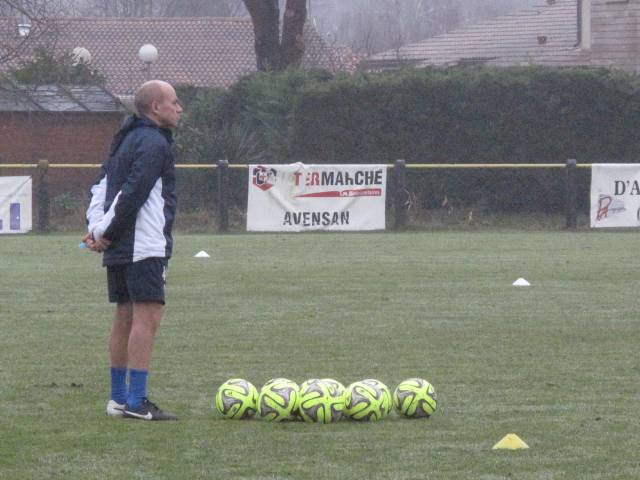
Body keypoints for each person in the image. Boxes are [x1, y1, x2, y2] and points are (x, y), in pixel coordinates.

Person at [83, 80, 182, 421]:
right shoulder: (154, 141)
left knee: (124, 316)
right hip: (143, 242)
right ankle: (137, 402)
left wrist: (96, 230)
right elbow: (133, 192)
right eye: (174, 101)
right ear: (155, 107)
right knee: (148, 316)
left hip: (121, 242)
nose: (179, 108)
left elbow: (101, 186)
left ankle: (118, 400)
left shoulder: (123, 137)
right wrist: (106, 232)